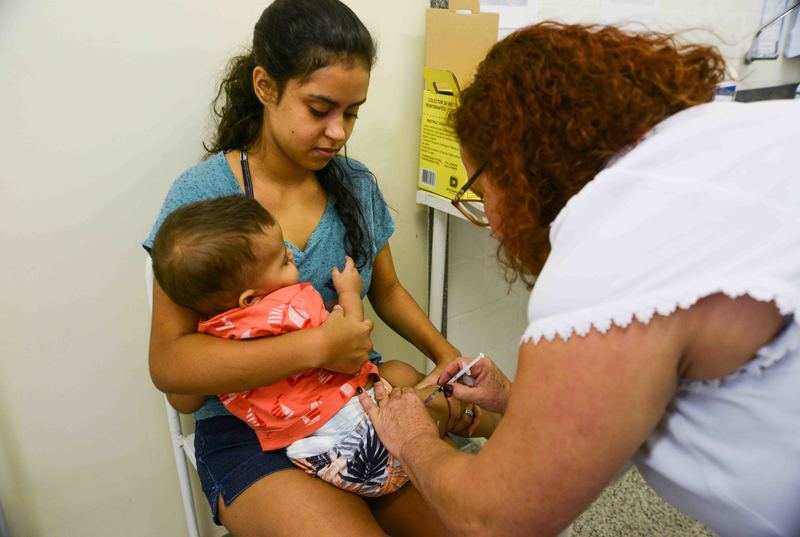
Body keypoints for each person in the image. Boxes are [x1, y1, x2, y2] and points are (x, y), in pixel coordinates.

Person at [359, 22, 800, 537]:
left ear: (514, 171)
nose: (491, 221)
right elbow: (620, 399)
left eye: (479, 191)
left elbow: (492, 519)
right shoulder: (716, 135)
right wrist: (521, 400)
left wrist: (412, 438)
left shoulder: (603, 261)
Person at [144, 1, 464, 534]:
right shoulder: (202, 199)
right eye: (320, 109)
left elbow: (387, 290)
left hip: (355, 405)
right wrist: (317, 347)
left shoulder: (354, 185)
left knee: (471, 521)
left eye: (352, 112)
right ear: (265, 87)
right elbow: (171, 366)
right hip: (252, 432)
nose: (339, 132)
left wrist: (448, 356)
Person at [150, 195, 493, 496]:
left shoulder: (214, 335)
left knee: (401, 376)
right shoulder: (289, 307)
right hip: (368, 440)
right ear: (250, 298)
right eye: (284, 261)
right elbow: (351, 342)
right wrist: (348, 292)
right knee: (434, 398)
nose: (291, 254)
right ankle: (487, 423)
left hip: (317, 458)